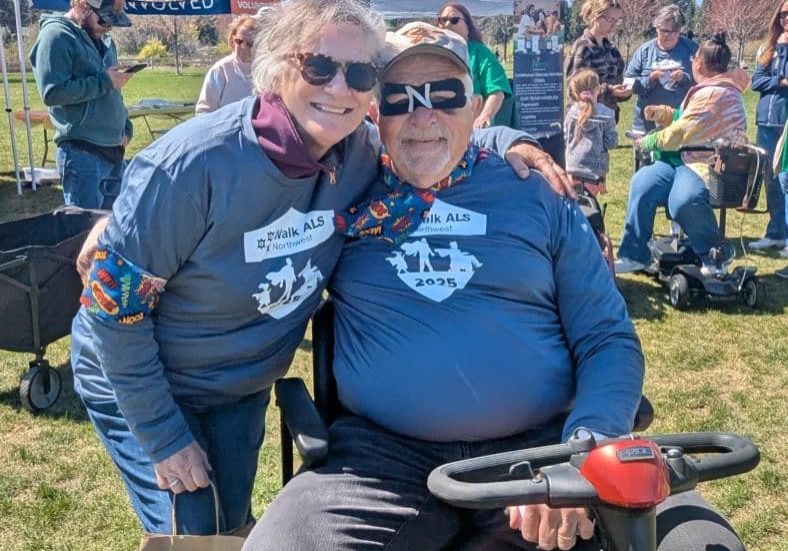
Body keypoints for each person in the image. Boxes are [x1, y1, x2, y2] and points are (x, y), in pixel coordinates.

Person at [71, 0, 571, 539]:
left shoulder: (356, 153)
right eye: (319, 67)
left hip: (241, 383)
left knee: (231, 520)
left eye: (360, 73)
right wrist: (163, 435)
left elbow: (439, 144)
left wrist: (510, 139)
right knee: (197, 527)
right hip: (147, 376)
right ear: (278, 65)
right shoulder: (190, 166)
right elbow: (111, 313)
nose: (339, 88)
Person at [244, 22, 745, 551]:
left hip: (543, 453)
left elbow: (607, 337)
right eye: (400, 98)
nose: (423, 115)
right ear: (374, 110)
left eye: (445, 95)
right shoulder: (343, 188)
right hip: (378, 463)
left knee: (698, 540)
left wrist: (585, 451)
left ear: (477, 106)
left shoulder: (539, 192)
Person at [615, 33, 749, 275]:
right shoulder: (708, 89)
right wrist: (663, 113)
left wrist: (648, 141)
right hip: (685, 158)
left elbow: (680, 132)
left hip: (709, 164)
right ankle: (635, 254)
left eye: (693, 58)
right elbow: (684, 118)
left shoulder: (716, 93)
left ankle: (716, 251)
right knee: (643, 182)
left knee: (683, 200)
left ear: (698, 62)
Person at [30, 0, 134, 209]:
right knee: (83, 232)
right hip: (82, 153)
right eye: (104, 20)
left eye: (112, 22)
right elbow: (53, 92)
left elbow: (113, 91)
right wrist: (104, 82)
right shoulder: (56, 36)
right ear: (82, 5)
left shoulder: (105, 41)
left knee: (113, 231)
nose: (109, 27)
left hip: (114, 149)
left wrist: (125, 127)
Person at [748, 0, 788, 255]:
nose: (786, 18)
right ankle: (776, 232)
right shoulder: (769, 47)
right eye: (783, 14)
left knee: (786, 180)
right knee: (770, 179)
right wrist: (780, 81)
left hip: (786, 124)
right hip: (766, 121)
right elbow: (756, 82)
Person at [436, 2, 512, 128]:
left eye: (454, 20)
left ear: (468, 27)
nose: (447, 24)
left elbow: (497, 92)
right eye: (442, 20)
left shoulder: (480, 53)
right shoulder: (433, 54)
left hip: (475, 130)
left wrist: (485, 116)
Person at [624, 4, 698, 133]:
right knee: (647, 153)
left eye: (675, 31)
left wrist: (684, 78)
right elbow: (628, 83)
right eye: (664, 31)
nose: (669, 35)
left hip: (680, 123)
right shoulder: (644, 51)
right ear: (656, 28)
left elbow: (706, 81)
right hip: (646, 124)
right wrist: (650, 79)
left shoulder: (692, 49)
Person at [566, 0, 631, 122]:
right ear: (595, 16)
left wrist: (624, 92)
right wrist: (609, 90)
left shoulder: (612, 50)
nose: (613, 25)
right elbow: (574, 90)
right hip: (585, 121)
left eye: (617, 21)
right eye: (610, 19)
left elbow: (618, 84)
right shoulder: (582, 48)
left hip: (608, 120)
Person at [564, 69, 617, 194]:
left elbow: (566, 138)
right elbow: (611, 143)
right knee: (590, 206)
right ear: (598, 89)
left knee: (574, 204)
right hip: (595, 171)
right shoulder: (607, 114)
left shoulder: (571, 113)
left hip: (573, 167)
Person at [195, 15, 256, 114]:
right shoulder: (220, 70)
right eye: (239, 41)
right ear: (232, 40)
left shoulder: (267, 72)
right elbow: (204, 111)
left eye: (250, 43)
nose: (243, 47)